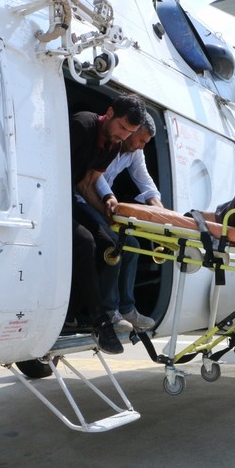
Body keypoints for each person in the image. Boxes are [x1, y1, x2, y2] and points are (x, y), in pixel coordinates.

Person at [69, 93, 147, 354]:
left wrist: (107, 214)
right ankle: (99, 320)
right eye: (122, 127)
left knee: (110, 246)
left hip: (71, 196)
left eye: (129, 133)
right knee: (85, 242)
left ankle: (72, 311)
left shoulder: (113, 145)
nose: (123, 136)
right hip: (52, 196)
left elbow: (86, 184)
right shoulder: (82, 125)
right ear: (110, 113)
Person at [76, 113, 160, 331]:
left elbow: (144, 180)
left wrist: (160, 211)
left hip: (105, 203)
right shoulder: (111, 142)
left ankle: (127, 308)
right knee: (114, 244)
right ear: (131, 130)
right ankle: (109, 310)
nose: (142, 146)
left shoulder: (135, 152)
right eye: (140, 140)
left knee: (133, 246)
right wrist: (109, 197)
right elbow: (95, 177)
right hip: (86, 198)